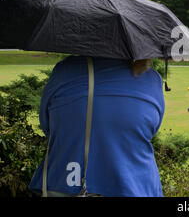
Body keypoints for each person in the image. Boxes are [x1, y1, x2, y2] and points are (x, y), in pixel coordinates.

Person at [29, 56, 165, 197]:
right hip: (136, 187)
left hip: (64, 183)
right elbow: (151, 129)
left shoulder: (64, 72)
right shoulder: (151, 79)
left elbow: (48, 126)